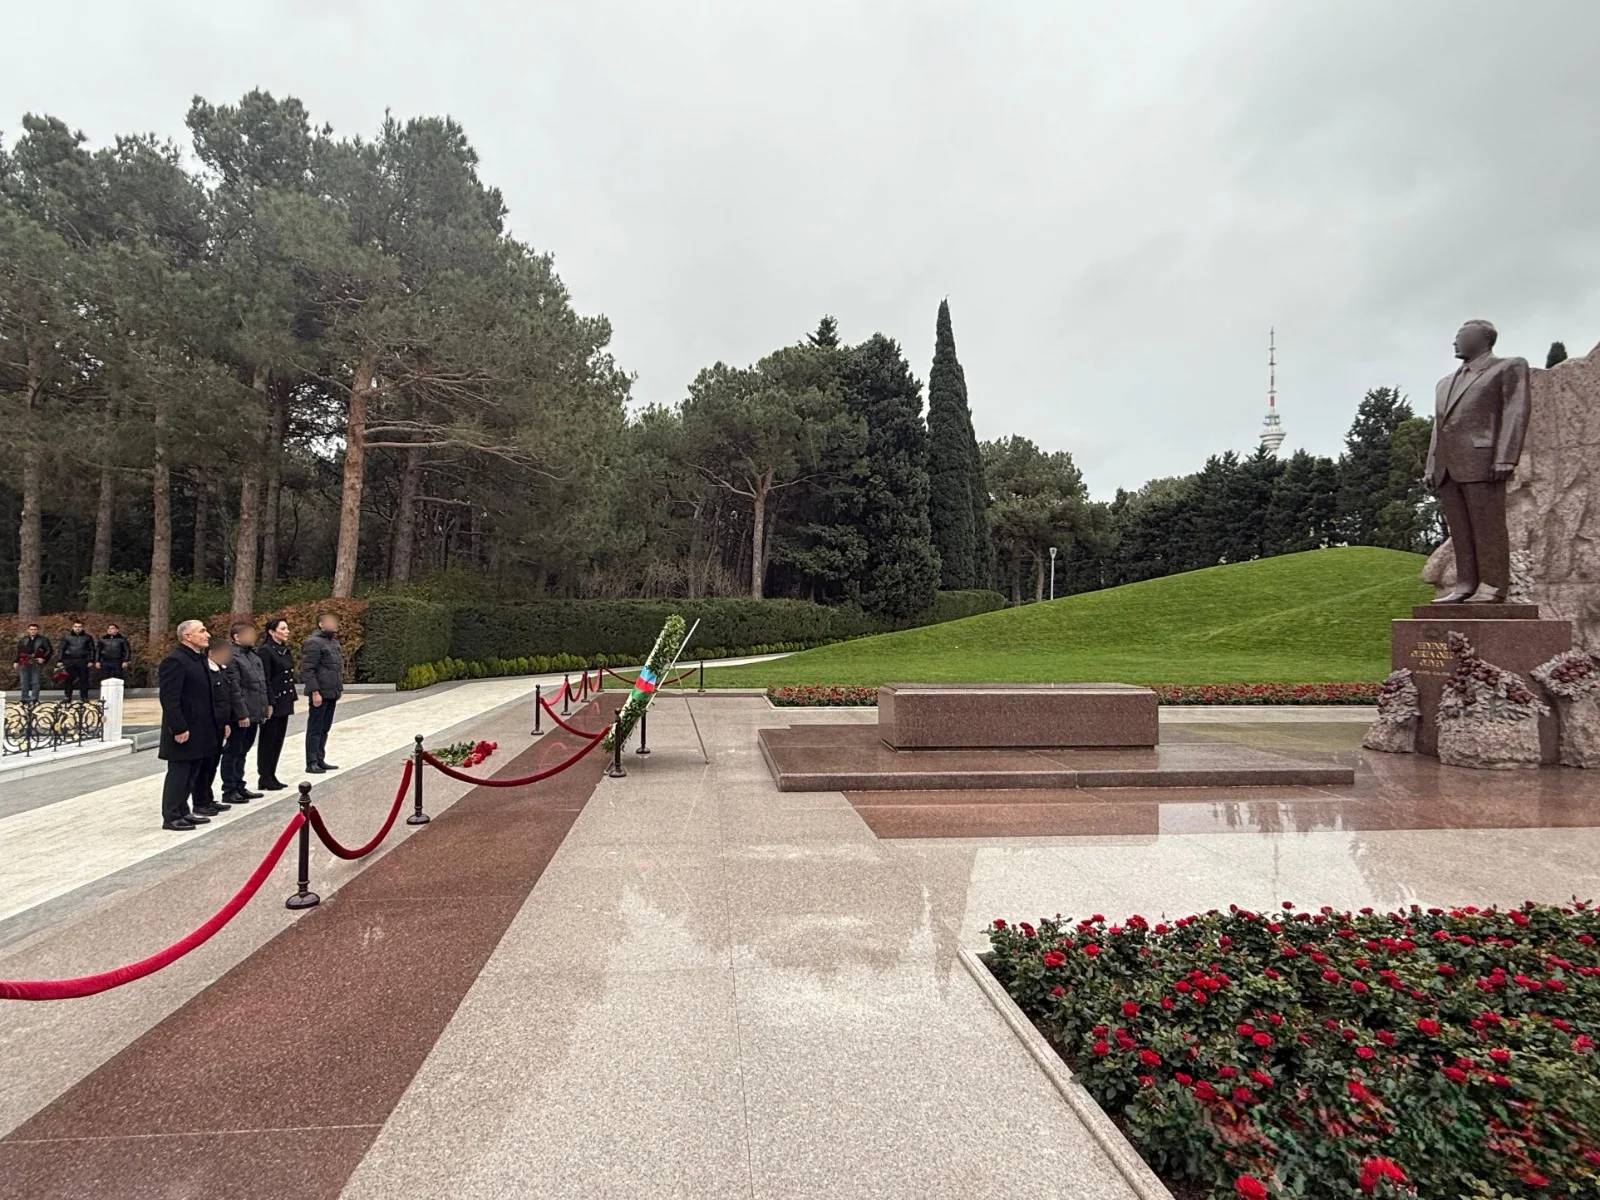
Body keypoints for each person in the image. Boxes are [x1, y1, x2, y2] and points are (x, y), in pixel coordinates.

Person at [1425, 318, 1531, 604]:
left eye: (1462, 335)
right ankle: (1464, 584)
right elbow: (1439, 426)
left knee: (1489, 527)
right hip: (1447, 466)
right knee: (1460, 529)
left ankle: (1493, 586)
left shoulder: (1508, 367)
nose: (1455, 341)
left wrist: (1506, 457)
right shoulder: (1444, 383)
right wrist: (1431, 465)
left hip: (1482, 460)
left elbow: (1516, 412)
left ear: (1484, 338)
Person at [157, 620, 219, 831]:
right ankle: (171, 815)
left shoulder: (199, 659)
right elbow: (170, 699)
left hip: (201, 727)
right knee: (179, 772)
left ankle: (184, 810)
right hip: (184, 728)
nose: (207, 634)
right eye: (202, 631)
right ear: (187, 637)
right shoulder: (175, 661)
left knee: (193, 771)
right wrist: (178, 727)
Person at [191, 636, 244, 817]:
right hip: (208, 724)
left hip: (220, 723)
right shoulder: (207, 671)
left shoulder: (221, 670)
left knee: (212, 763)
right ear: (212, 653)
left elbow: (226, 699)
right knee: (204, 765)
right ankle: (200, 801)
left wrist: (227, 722)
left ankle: (208, 798)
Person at [219, 621, 266, 804]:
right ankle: (229, 788)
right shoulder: (232, 657)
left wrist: (264, 706)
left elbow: (260, 684)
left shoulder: (253, 656)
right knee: (233, 751)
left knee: (243, 751)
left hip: (254, 711)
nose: (252, 638)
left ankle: (239, 784)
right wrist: (241, 713)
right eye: (247, 634)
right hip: (241, 714)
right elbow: (235, 687)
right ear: (236, 637)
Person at [300, 612, 344, 773]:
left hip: (331, 690)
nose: (334, 624)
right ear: (320, 624)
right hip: (320, 692)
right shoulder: (314, 643)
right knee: (315, 728)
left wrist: (338, 688)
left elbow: (336, 668)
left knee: (325, 727)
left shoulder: (333, 642)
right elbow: (308, 670)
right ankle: (311, 761)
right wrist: (314, 691)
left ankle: (320, 758)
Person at [256, 616, 295, 791]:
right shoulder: (266, 651)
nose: (287, 631)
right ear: (272, 632)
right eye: (283, 628)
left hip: (285, 699)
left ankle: (272, 773)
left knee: (278, 739)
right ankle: (264, 775)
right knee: (268, 739)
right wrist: (269, 702)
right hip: (274, 699)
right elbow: (266, 678)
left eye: (287, 628)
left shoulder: (284, 649)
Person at [58, 620, 95, 702]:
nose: (78, 628)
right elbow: (62, 649)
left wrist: (91, 660)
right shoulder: (67, 637)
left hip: (83, 660)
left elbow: (92, 649)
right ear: (73, 627)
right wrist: (60, 660)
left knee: (84, 679)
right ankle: (67, 696)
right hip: (69, 660)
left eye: (79, 627)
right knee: (68, 679)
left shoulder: (87, 637)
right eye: (76, 627)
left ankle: (84, 696)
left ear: (82, 628)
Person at [13, 623, 51, 704]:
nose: (33, 631)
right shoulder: (23, 640)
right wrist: (16, 661)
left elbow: (49, 650)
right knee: (24, 681)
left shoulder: (43, 640)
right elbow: (18, 651)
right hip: (23, 662)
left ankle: (34, 698)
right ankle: (24, 698)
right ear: (28, 630)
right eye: (31, 629)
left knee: (35, 681)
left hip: (35, 662)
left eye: (34, 629)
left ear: (37, 630)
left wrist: (43, 659)